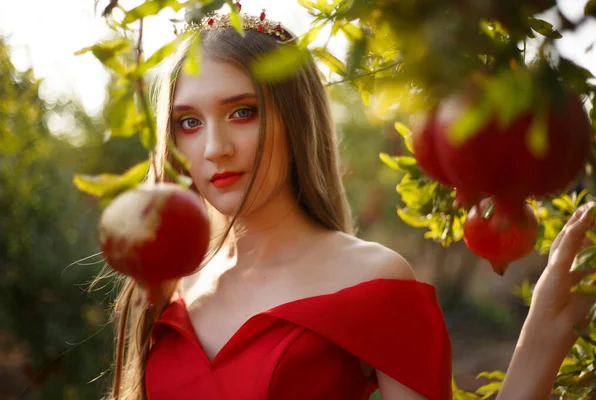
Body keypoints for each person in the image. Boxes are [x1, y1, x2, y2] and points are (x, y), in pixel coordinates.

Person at [103, 9, 596, 400]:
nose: (214, 148)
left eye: (243, 112)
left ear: (297, 120)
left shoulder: (371, 278)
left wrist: (545, 331)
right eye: (188, 122)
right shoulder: (172, 281)